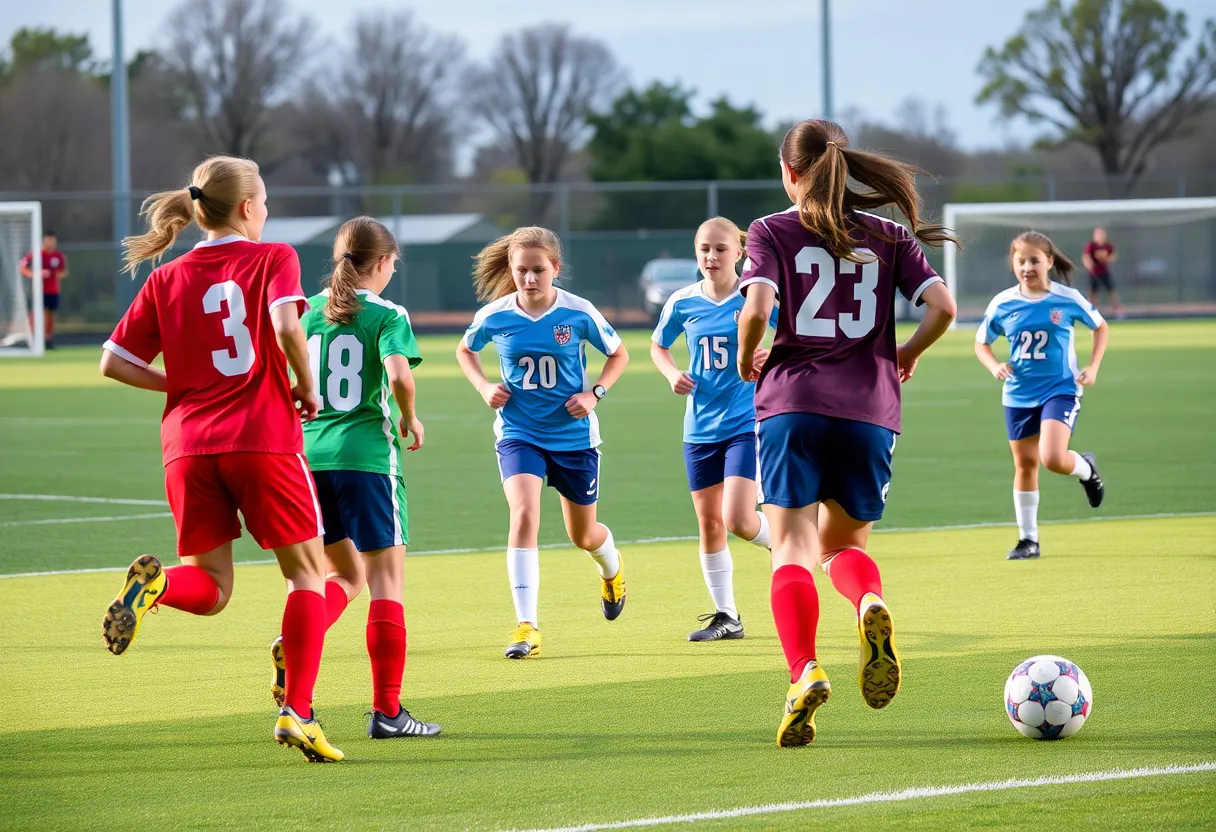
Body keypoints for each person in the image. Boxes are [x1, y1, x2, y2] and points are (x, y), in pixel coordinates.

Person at [97, 156, 342, 763]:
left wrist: (181, 385)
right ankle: (299, 713)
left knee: (210, 587)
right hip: (261, 438)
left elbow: (113, 362)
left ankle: (153, 590)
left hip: (187, 447)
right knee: (310, 574)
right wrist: (307, 387)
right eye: (264, 200)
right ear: (248, 208)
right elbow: (288, 327)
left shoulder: (167, 277)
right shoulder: (273, 257)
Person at [736, 119, 959, 747]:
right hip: (869, 411)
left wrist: (745, 355)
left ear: (789, 172)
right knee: (843, 546)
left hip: (792, 405)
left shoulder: (771, 230)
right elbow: (944, 307)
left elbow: (755, 309)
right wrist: (905, 353)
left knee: (792, 549)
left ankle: (803, 670)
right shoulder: (888, 235)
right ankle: (865, 605)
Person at [266, 216, 440, 740]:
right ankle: (388, 713)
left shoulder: (306, 311)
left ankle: (300, 678)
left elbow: (280, 375)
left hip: (307, 462)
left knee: (339, 578)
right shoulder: (388, 313)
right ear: (383, 263)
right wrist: (409, 416)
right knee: (386, 582)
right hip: (367, 461)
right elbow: (398, 374)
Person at [455, 227, 630, 659]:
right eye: (521, 271)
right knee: (524, 513)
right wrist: (482, 387)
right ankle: (527, 626)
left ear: (556, 268)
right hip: (519, 434)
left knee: (584, 534)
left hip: (573, 439)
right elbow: (465, 350)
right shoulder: (495, 315)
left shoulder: (578, 312)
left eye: (538, 270)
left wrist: (595, 394)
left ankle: (613, 571)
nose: (529, 279)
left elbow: (619, 354)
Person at [650, 216, 777, 642]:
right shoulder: (682, 302)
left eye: (720, 248)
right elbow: (658, 344)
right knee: (709, 524)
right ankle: (728, 617)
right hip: (700, 427)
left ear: (739, 253)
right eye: (704, 248)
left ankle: (789, 545)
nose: (711, 256)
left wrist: (770, 357)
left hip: (748, 421)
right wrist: (670, 373)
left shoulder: (756, 296)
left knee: (738, 518)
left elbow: (798, 336)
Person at [975, 231, 1109, 561]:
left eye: (1035, 260)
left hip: (1060, 390)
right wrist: (994, 366)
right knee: (1025, 464)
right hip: (1018, 394)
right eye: (1021, 261)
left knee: (1051, 457)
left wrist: (1092, 367)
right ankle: (1028, 541)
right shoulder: (1003, 303)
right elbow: (982, 342)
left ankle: (1087, 471)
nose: (1027, 267)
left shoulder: (1067, 298)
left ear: (1049, 261)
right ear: (1013, 263)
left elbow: (1100, 326)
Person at [19, 229, 68, 348]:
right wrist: (35, 274)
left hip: (53, 290)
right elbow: (23, 267)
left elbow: (63, 272)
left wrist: (53, 273)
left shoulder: (58, 255)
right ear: (44, 240)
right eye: (48, 239)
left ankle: (48, 340)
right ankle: (33, 338)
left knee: (51, 315)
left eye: (53, 240)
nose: (51, 242)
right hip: (39, 291)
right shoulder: (36, 254)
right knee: (38, 314)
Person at [1082, 227, 1125, 319]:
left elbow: (1113, 256)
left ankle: (1118, 312)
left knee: (1111, 291)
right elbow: (1086, 257)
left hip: (1104, 272)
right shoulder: (1091, 245)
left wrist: (1106, 258)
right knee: (1093, 293)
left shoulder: (1108, 246)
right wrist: (1090, 265)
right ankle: (1092, 313)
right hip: (1094, 273)